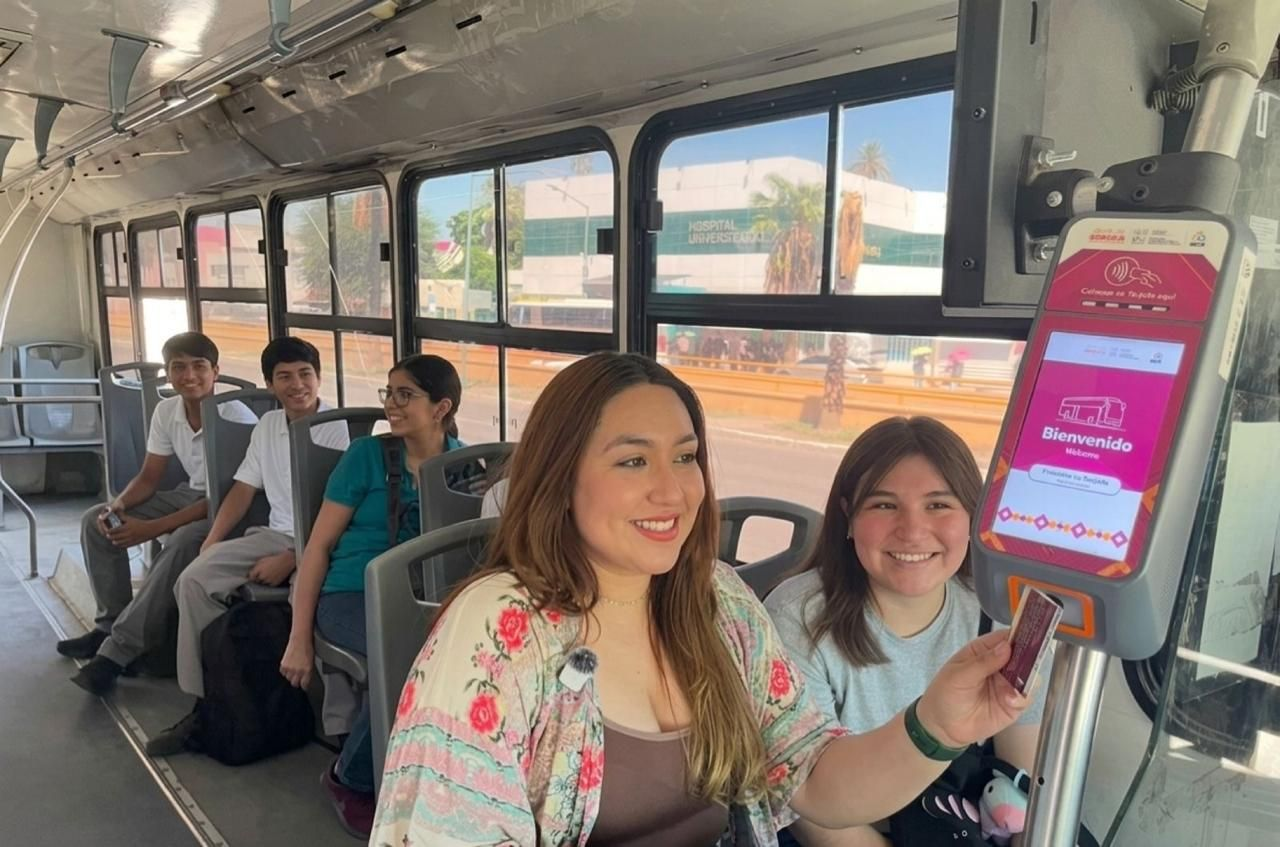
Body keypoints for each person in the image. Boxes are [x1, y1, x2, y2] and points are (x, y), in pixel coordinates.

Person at [371, 353, 1028, 846]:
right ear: (561, 477)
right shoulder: (497, 631)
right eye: (633, 461)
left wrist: (937, 726)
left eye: (685, 458)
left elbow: (814, 778)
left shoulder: (717, 601)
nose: (673, 491)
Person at [765, 417, 1046, 846]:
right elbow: (805, 803)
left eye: (938, 505)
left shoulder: (998, 611)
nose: (913, 531)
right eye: (884, 505)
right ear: (848, 516)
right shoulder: (797, 619)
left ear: (973, 516)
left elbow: (1026, 784)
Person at [278, 353, 468, 838]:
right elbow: (317, 548)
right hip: (349, 595)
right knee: (410, 663)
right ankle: (350, 776)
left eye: (405, 395)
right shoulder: (365, 457)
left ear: (441, 407)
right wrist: (299, 637)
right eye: (389, 393)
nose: (391, 405)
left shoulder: (465, 465)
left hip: (428, 598)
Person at [142, 337, 349, 756]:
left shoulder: (337, 427)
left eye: (305, 374)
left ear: (319, 378)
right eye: (284, 377)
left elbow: (341, 513)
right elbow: (243, 488)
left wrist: (293, 557)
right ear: (270, 385)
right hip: (274, 535)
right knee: (193, 581)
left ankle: (340, 733)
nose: (297, 385)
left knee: (313, 602)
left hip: (324, 542)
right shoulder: (268, 426)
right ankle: (208, 704)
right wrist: (213, 540)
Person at [57, 332, 258, 695]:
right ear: (168, 372)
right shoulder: (167, 411)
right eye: (179, 367)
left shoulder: (236, 416)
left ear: (215, 371)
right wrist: (118, 505)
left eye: (199, 366)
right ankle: (109, 625)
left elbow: (229, 497)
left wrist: (151, 528)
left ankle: (117, 652)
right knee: (95, 521)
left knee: (182, 540)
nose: (189, 376)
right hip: (190, 495)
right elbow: (150, 477)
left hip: (229, 507)